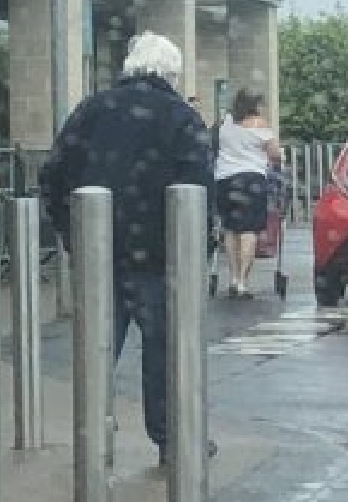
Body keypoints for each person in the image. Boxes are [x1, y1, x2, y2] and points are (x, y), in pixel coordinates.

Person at [38, 31, 216, 467]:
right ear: (171, 73)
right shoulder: (181, 118)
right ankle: (172, 439)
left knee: (97, 347)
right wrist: (198, 247)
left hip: (99, 251)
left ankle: (94, 434)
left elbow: (53, 174)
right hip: (159, 253)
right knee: (165, 351)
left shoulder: (91, 110)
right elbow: (199, 188)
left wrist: (72, 233)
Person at [214, 88, 281, 298]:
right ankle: (243, 281)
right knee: (249, 231)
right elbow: (275, 154)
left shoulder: (225, 123)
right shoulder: (260, 125)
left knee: (231, 229)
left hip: (225, 179)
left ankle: (233, 277)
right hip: (251, 181)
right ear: (254, 105)